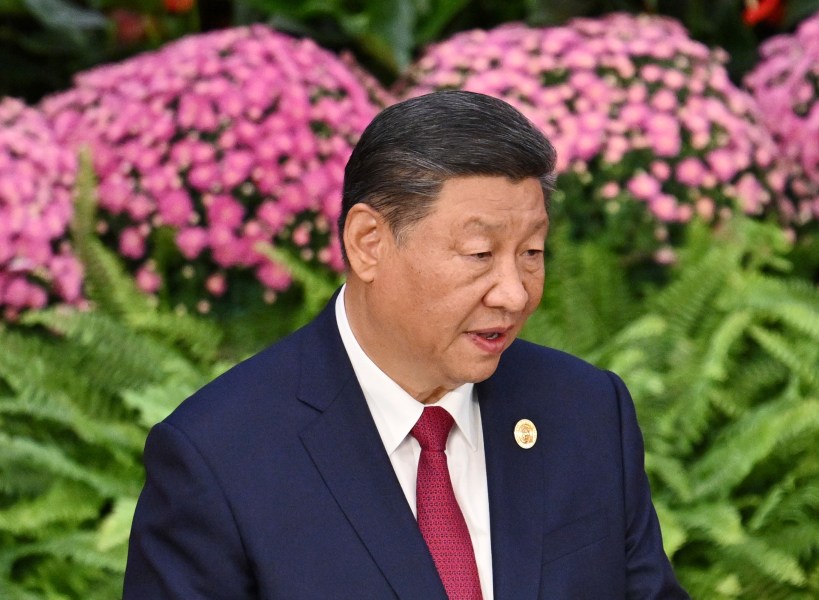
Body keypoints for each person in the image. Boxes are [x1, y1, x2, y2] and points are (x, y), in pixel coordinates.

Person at [123, 90, 688, 599]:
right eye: (479, 255)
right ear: (369, 243)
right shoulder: (219, 457)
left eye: (532, 253)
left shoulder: (585, 410)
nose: (515, 294)